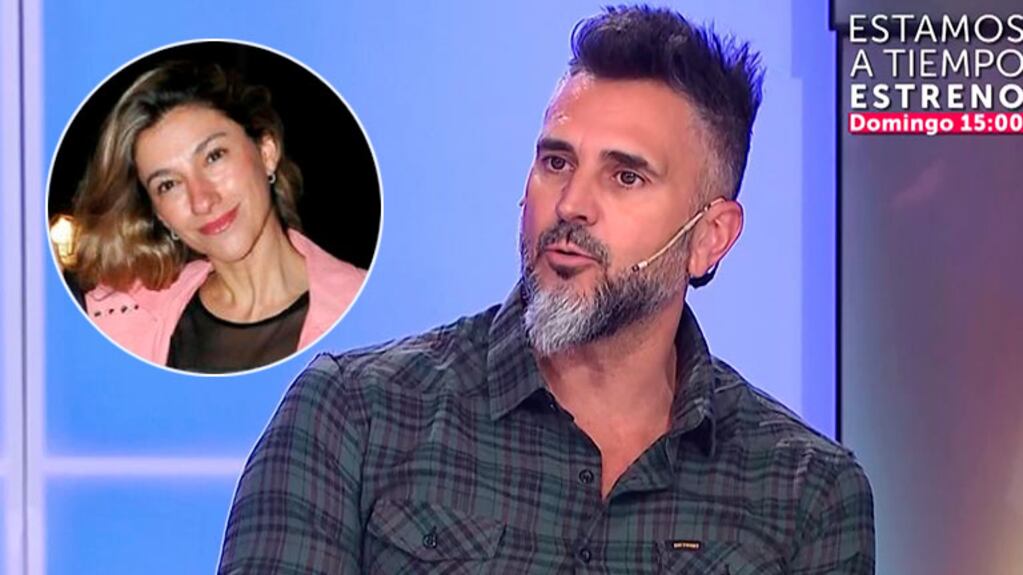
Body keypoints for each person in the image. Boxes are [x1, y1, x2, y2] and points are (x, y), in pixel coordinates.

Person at [219, 6, 874, 574]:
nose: (570, 204)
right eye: (556, 162)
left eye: (625, 177)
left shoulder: (805, 492)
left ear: (709, 236)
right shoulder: (356, 416)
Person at [71, 60, 366, 373]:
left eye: (214, 156)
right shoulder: (111, 319)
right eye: (168, 184)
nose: (202, 200)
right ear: (160, 214)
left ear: (266, 153)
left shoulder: (371, 310)